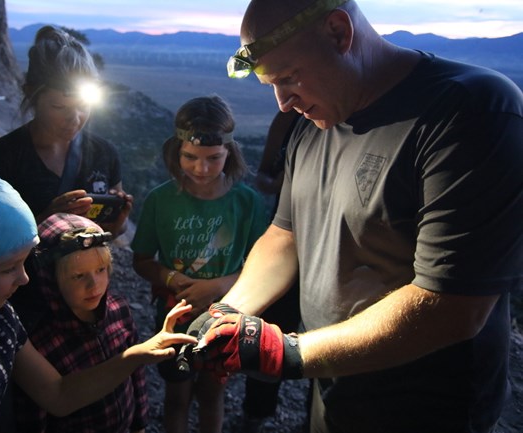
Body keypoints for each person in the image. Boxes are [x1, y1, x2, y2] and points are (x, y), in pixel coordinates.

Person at [190, 1, 523, 433]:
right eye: (271, 84)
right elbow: (284, 236)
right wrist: (227, 311)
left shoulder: (471, 111)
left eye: (289, 77)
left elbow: (453, 306)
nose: (283, 102)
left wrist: (285, 353)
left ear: (337, 32)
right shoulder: (315, 122)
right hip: (332, 389)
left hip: (427, 410)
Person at [0, 170, 198, 433]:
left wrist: (134, 356)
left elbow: (57, 394)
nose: (24, 278)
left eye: (25, 263)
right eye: (7, 268)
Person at [131, 95, 268, 433]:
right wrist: (171, 277)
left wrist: (219, 285)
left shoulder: (246, 203)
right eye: (190, 157)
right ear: (176, 153)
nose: (201, 169)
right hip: (174, 316)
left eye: (213, 158)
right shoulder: (161, 200)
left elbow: (263, 263)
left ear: (229, 153)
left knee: (212, 393)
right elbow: (142, 259)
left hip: (225, 316)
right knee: (176, 396)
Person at [0, 25, 132, 235]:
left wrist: (118, 221)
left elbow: (114, 230)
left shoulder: (104, 154)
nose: (75, 119)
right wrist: (44, 221)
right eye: (59, 107)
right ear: (31, 95)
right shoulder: (3, 160)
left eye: (84, 105)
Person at [12, 212, 149, 433]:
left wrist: (140, 424)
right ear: (49, 278)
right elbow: (32, 416)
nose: (94, 285)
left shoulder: (119, 310)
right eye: (78, 276)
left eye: (100, 270)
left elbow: (135, 373)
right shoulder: (39, 343)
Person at [240, 110, 303, 432]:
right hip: (287, 242)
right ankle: (256, 412)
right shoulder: (289, 120)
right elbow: (263, 179)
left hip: (337, 251)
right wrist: (284, 181)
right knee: (273, 332)